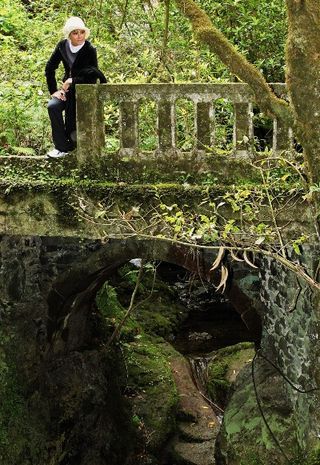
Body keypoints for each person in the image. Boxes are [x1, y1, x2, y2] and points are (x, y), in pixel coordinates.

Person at [45, 16, 106, 158]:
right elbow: (50, 68)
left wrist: (72, 80)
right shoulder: (62, 46)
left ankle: (75, 146)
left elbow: (93, 74)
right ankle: (61, 147)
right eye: (75, 33)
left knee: (74, 127)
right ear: (69, 35)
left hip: (83, 91)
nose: (80, 36)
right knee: (53, 106)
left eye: (82, 32)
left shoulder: (89, 49)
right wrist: (54, 90)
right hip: (66, 91)